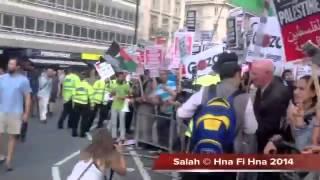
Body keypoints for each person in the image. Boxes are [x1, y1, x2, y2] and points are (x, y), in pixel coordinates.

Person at [177, 52, 258, 180]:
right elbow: (252, 129)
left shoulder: (206, 90)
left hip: (199, 153)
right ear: (237, 74)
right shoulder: (244, 98)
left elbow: (182, 113)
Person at [250, 60, 291, 180]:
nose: (251, 77)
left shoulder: (278, 94)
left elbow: (272, 126)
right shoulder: (261, 87)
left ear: (267, 74)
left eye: (255, 74)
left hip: (271, 150)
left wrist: (248, 130)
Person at [264, 76, 320, 153]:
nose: (296, 92)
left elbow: (303, 147)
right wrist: (274, 141)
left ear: (313, 93)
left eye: (302, 89)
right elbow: (288, 135)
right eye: (295, 88)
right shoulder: (294, 110)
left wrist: (299, 125)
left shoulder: (315, 116)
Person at [0, 58, 31, 171]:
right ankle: (1, 155)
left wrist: (26, 113)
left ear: (17, 67)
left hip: (16, 112)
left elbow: (27, 97)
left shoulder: (24, 80)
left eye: (12, 64)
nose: (9, 66)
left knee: (12, 137)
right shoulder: (1, 78)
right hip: (1, 111)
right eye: (9, 63)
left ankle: (8, 161)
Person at [69, 71, 94, 137]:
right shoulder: (88, 86)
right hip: (84, 104)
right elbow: (91, 96)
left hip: (77, 104)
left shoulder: (76, 85)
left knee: (75, 119)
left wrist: (73, 103)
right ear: (86, 79)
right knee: (84, 119)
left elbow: (73, 94)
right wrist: (92, 105)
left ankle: (74, 133)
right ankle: (82, 134)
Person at [110, 71, 131, 143]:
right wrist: (112, 93)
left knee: (122, 122)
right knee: (114, 122)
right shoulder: (113, 85)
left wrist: (124, 97)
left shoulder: (126, 86)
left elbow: (130, 95)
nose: (121, 78)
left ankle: (122, 137)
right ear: (117, 77)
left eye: (122, 77)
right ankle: (114, 136)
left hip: (123, 106)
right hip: (114, 105)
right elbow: (110, 95)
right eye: (120, 77)